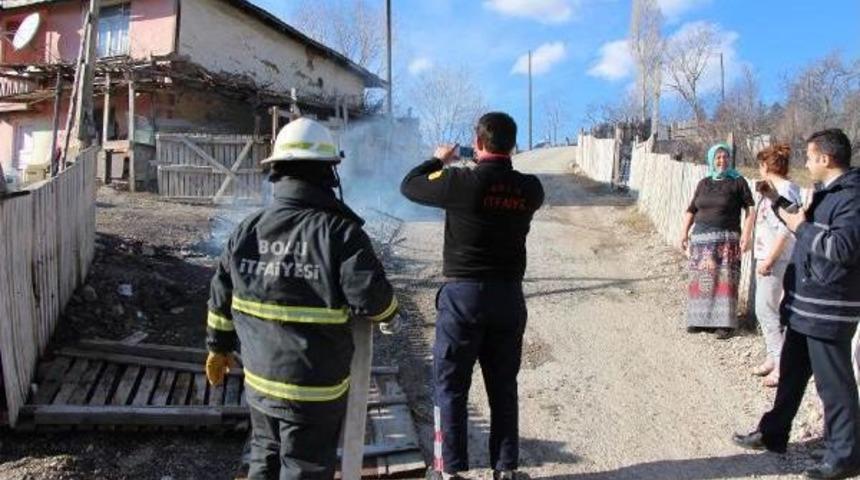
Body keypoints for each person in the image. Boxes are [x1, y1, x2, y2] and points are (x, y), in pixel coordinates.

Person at [204, 118, 400, 480]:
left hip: (259, 380)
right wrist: (391, 313)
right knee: (305, 468)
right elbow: (373, 299)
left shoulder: (246, 229)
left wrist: (217, 347)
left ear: (276, 171)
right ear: (330, 173)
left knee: (265, 455)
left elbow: (220, 299)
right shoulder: (341, 233)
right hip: (315, 389)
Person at [400, 112, 544, 480]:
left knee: (450, 385)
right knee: (503, 386)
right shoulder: (531, 189)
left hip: (462, 296)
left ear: (477, 143)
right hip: (508, 297)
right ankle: (506, 469)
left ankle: (450, 471)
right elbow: (504, 185)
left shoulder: (458, 181)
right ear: (512, 145)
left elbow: (410, 184)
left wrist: (439, 159)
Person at [733, 128, 860, 480]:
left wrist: (802, 227)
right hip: (807, 304)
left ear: (825, 158)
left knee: (834, 385)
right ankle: (774, 432)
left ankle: (845, 455)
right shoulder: (827, 193)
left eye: (809, 156)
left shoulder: (852, 197)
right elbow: (801, 222)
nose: (804, 162)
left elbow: (842, 249)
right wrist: (775, 199)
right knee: (790, 375)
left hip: (829, 306)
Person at [680, 143, 755, 339]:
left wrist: (746, 235)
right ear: (712, 160)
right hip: (701, 239)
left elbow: (750, 210)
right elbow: (691, 210)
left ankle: (725, 324)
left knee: (725, 280)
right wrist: (684, 233)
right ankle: (699, 319)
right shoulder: (703, 183)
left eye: (725, 157)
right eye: (718, 157)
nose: (722, 161)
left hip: (726, 238)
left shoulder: (738, 182)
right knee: (702, 279)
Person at [752, 144, 802, 387]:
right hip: (765, 254)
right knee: (765, 308)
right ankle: (773, 357)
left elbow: (786, 228)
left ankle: (782, 364)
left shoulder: (786, 189)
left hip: (777, 258)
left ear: (766, 166)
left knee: (767, 310)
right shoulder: (771, 189)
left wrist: (770, 259)